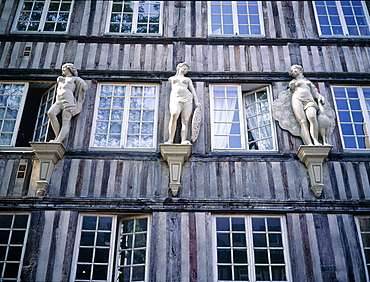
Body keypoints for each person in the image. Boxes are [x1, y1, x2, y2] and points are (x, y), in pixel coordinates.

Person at [47, 63, 88, 143]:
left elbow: (84, 86)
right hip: (58, 101)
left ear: (69, 69)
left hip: (68, 101)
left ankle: (59, 140)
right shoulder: (60, 79)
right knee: (51, 113)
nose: (63, 70)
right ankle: (57, 136)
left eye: (64, 68)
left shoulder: (75, 79)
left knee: (65, 121)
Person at [289, 65, 325, 145]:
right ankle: (309, 143)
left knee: (312, 117)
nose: (294, 71)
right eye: (292, 70)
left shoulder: (308, 82)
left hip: (309, 100)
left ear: (300, 70)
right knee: (303, 122)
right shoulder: (293, 82)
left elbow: (314, 91)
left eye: (295, 69)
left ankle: (315, 140)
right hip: (297, 99)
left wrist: (319, 96)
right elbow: (291, 86)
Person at [165, 62, 201, 145]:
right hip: (176, 98)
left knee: (185, 120)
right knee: (174, 114)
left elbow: (193, 90)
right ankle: (170, 140)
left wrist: (196, 101)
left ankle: (183, 140)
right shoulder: (172, 78)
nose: (185, 69)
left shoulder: (188, 80)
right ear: (179, 67)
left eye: (187, 69)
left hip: (187, 98)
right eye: (184, 67)